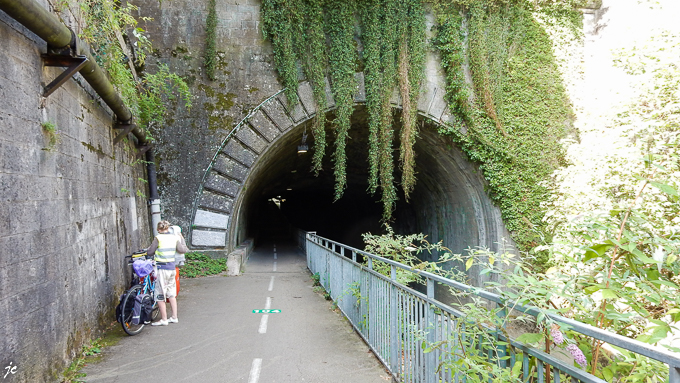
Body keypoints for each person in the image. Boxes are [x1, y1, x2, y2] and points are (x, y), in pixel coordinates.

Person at [147, 220, 188, 326]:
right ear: (168, 228)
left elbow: (150, 252)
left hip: (162, 269)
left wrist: (150, 250)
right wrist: (181, 238)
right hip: (172, 269)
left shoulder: (158, 238)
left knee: (160, 294)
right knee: (171, 293)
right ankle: (174, 317)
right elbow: (183, 250)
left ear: (158, 229)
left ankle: (164, 319)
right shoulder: (174, 238)